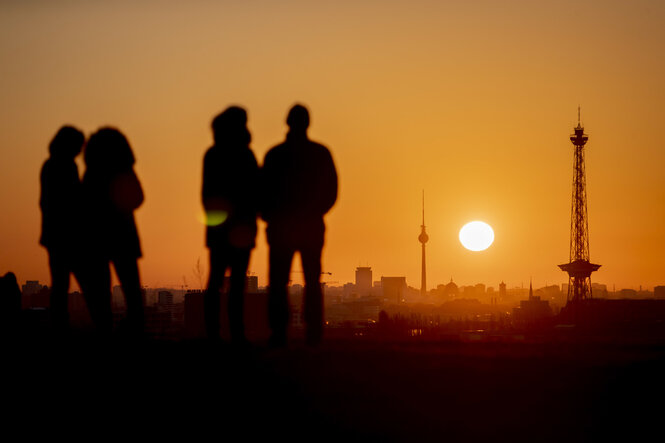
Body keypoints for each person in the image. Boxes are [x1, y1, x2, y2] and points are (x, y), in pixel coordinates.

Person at [261, 104, 338, 347]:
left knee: (278, 282)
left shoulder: (275, 155)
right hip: (310, 226)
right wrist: (315, 212)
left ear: (287, 122)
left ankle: (279, 333)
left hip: (282, 227)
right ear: (308, 123)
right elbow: (331, 190)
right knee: (312, 281)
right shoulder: (320, 153)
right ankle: (314, 334)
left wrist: (271, 217)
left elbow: (261, 192)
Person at [202, 106, 259, 344]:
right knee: (235, 285)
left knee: (217, 282)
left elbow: (207, 195)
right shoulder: (246, 156)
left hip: (221, 230)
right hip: (241, 230)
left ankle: (214, 333)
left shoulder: (214, 154)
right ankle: (235, 333)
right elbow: (257, 191)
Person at [82, 127, 145, 338]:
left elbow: (82, 206)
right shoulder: (124, 170)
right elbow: (138, 197)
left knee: (100, 292)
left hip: (96, 239)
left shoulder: (91, 173)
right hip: (123, 237)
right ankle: (135, 331)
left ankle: (105, 333)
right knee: (131, 289)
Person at [39, 125, 87, 335]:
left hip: (55, 235)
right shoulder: (65, 166)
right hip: (67, 235)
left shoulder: (50, 165)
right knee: (75, 283)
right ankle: (62, 326)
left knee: (60, 284)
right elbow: (73, 200)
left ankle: (60, 326)